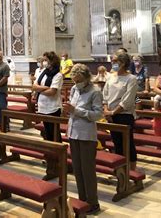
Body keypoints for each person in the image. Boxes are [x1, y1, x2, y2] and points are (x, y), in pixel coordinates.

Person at [62, 64, 103, 215]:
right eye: (74, 80)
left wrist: (76, 111)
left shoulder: (95, 91)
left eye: (78, 80)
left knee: (88, 170)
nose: (76, 82)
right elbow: (72, 109)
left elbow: (98, 114)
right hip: (73, 133)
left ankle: (93, 202)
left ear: (86, 78)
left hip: (86, 135)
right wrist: (68, 111)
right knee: (77, 169)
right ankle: (82, 200)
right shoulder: (74, 89)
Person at [103, 50, 138, 170]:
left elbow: (127, 100)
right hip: (111, 115)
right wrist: (106, 110)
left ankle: (132, 170)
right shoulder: (111, 77)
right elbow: (105, 95)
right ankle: (120, 169)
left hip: (124, 115)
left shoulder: (131, 78)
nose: (112, 64)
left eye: (114, 61)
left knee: (128, 144)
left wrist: (113, 112)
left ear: (122, 63)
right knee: (116, 143)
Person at [33, 51, 63, 143]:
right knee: (46, 132)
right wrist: (45, 88)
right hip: (42, 106)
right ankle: (50, 153)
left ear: (52, 61)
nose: (43, 62)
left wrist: (39, 89)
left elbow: (52, 92)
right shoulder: (43, 72)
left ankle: (57, 154)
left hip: (53, 107)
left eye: (45, 60)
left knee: (54, 133)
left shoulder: (58, 75)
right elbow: (34, 86)